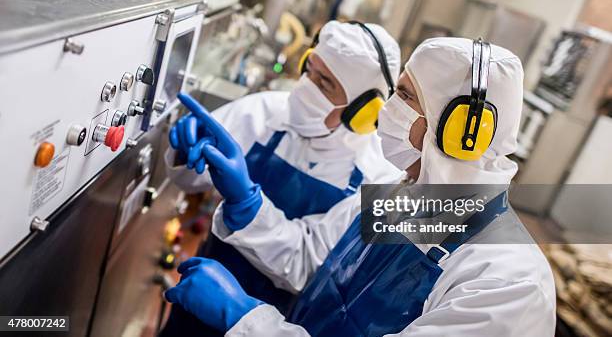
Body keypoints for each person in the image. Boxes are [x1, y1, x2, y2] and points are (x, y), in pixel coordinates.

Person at [164, 38, 556, 336]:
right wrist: (245, 200)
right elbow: (307, 257)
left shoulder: (508, 281)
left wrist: (245, 319)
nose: (388, 110)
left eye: (405, 97)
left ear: (462, 132)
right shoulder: (395, 195)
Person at [161, 21, 403, 335]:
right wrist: (184, 151)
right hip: (201, 292)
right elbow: (188, 181)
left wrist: (247, 203)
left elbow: (309, 267)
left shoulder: (377, 178)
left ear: (363, 111)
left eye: (325, 82)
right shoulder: (265, 111)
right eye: (309, 69)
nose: (306, 86)